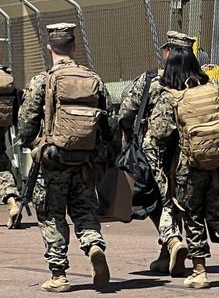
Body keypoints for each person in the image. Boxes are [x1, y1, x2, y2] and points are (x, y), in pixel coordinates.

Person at [143, 45, 219, 289]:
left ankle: (200, 272)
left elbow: (159, 135)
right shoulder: (215, 91)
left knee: (192, 218)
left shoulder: (170, 97)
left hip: (187, 169)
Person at [18, 23, 111, 292]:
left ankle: (59, 275)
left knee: (51, 214)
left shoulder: (41, 81)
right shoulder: (92, 79)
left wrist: (35, 144)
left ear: (50, 48)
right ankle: (94, 245)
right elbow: (107, 125)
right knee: (84, 210)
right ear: (73, 46)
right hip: (86, 162)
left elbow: (25, 124)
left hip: (52, 162)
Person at [119, 31, 190, 277]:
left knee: (157, 202)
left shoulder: (151, 80)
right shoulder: (200, 82)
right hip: (189, 153)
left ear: (169, 52)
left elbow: (126, 113)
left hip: (154, 152)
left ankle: (172, 242)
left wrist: (129, 135)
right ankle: (168, 251)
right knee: (180, 202)